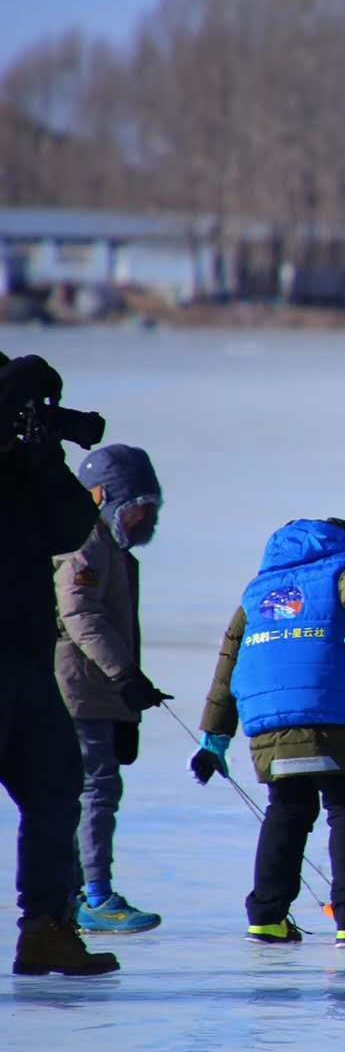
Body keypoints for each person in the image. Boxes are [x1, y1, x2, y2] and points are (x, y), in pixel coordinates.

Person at [190, 517, 345, 947]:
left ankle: (267, 916)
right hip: (329, 710)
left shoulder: (257, 591)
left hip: (267, 720)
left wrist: (215, 735)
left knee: (287, 810)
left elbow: (228, 666)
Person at [0, 352, 119, 976]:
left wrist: (44, 456)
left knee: (55, 789)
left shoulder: (23, 462)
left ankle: (46, 928)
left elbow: (71, 527)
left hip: (25, 654)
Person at [53, 444, 168, 933]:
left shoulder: (113, 549)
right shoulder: (87, 541)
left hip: (98, 690)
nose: (146, 517)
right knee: (94, 789)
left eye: (151, 507)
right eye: (138, 505)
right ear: (105, 498)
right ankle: (94, 895)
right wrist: (124, 674)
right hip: (79, 688)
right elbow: (78, 611)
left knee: (91, 789)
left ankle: (75, 893)